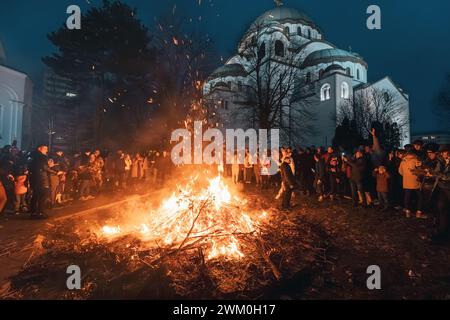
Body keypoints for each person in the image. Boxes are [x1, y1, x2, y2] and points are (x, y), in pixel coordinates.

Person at [29, 144, 60, 219]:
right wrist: (54, 171)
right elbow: (44, 167)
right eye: (45, 148)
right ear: (39, 148)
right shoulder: (42, 157)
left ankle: (33, 212)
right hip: (41, 178)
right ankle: (40, 212)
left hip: (34, 177)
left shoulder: (32, 156)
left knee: (36, 195)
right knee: (44, 194)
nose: (47, 150)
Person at [399, 149, 425, 218]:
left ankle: (407, 212)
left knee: (407, 196)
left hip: (406, 182)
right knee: (420, 197)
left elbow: (400, 172)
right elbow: (420, 170)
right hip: (416, 181)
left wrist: (406, 176)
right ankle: (418, 213)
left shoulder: (403, 161)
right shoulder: (416, 160)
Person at [432, 144, 450, 242]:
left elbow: (446, 176)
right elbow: (436, 172)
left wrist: (442, 175)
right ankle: (442, 231)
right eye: (442, 152)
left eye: (444, 152)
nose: (443, 154)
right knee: (442, 208)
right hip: (442, 188)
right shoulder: (441, 161)